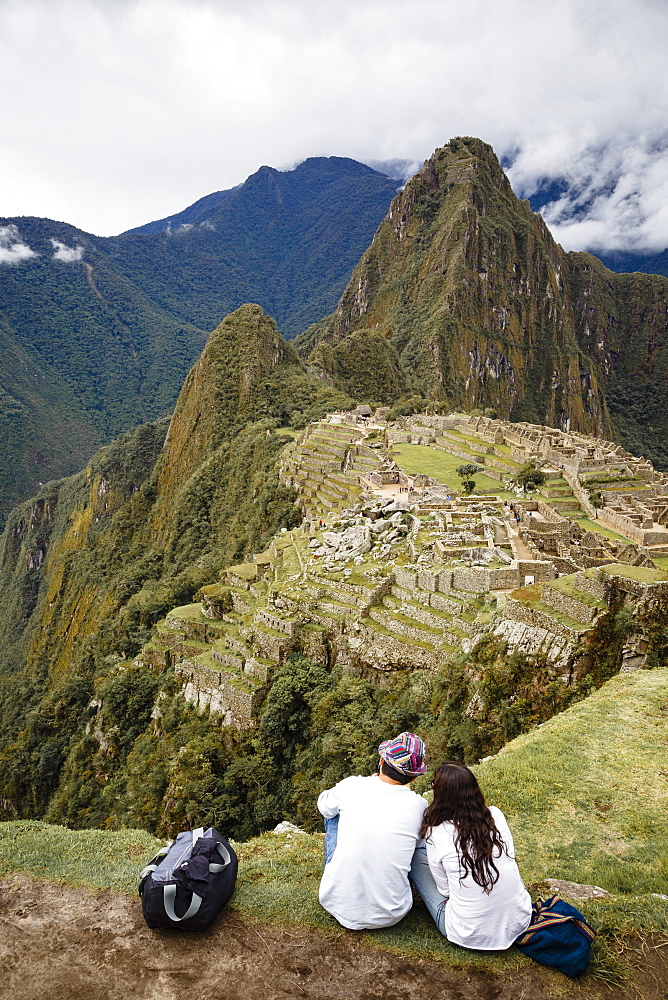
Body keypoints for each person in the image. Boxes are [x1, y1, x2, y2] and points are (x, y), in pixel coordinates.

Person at [409, 761, 531, 949]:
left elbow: (445, 891)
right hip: (520, 920)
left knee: (417, 852)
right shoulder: (495, 816)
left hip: (468, 934)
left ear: (440, 794)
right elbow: (510, 857)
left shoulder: (437, 833)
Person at [317, 732, 427, 930]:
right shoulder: (419, 806)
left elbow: (323, 806)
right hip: (391, 914)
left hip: (335, 903)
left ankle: (341, 879)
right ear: (414, 775)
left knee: (333, 813)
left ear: (382, 760)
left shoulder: (353, 785)